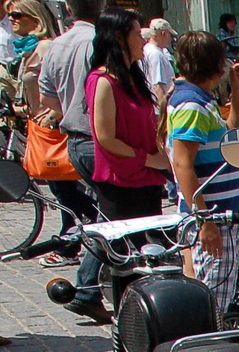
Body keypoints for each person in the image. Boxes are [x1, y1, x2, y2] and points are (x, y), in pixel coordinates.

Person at [167, 32, 239, 313]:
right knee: (213, 306)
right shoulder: (192, 105)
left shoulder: (202, 100)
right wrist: (205, 222)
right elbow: (182, 164)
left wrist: (237, 88)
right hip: (213, 215)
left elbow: (235, 136)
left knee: (208, 297)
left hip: (220, 213)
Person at [36, 0, 108, 322]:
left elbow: (46, 98)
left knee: (106, 213)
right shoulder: (101, 40)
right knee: (117, 215)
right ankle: (89, 288)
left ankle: (93, 286)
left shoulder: (56, 45)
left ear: (67, 6)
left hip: (74, 141)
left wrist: (69, 109)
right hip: (101, 140)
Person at [87, 7, 165, 222]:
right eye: (138, 34)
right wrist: (149, 160)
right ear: (119, 37)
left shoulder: (133, 78)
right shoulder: (103, 81)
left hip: (147, 179)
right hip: (121, 181)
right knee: (121, 250)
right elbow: (105, 138)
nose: (143, 40)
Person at [0, 0, 54, 118]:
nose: (11, 19)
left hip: (50, 129)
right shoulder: (27, 51)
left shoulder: (45, 47)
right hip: (34, 124)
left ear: (36, 20)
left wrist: (51, 118)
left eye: (17, 15)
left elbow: (63, 89)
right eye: (9, 15)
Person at [141, 17, 173, 105]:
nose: (170, 39)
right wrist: (164, 111)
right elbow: (158, 86)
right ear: (163, 34)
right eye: (170, 35)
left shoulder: (146, 50)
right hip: (158, 110)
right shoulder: (156, 54)